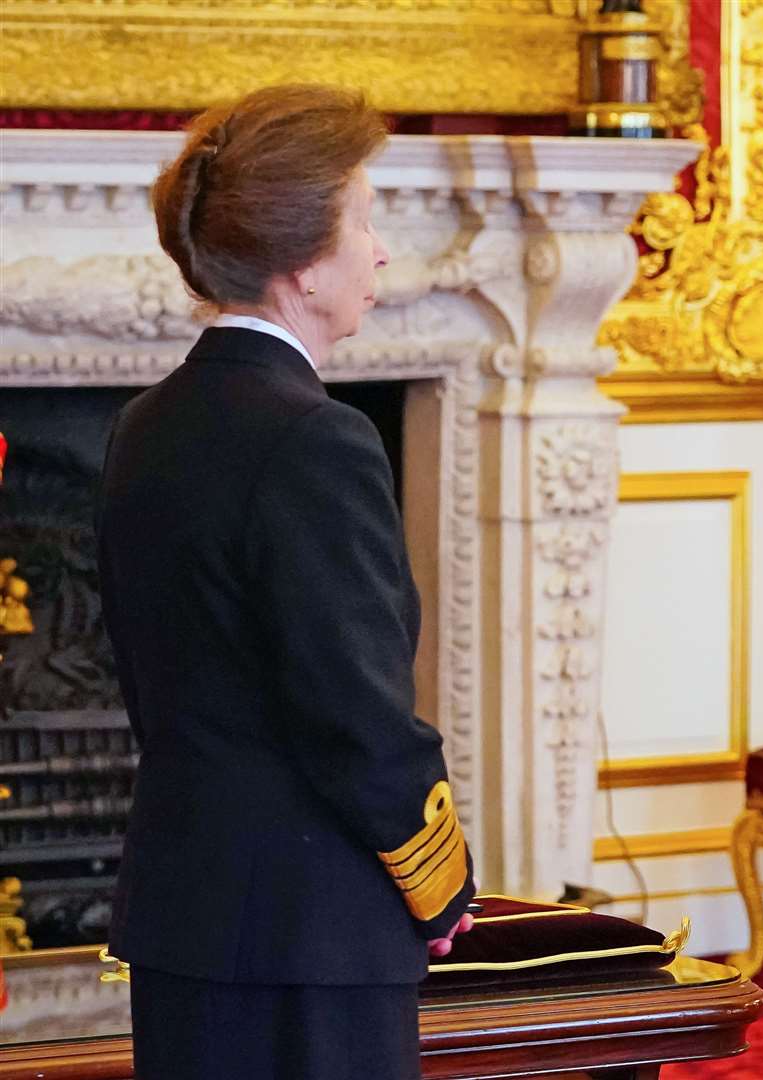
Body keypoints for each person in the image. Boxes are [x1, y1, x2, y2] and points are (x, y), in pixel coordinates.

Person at [96, 84, 476, 1080]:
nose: (382, 247)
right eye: (363, 217)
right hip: (313, 939)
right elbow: (354, 714)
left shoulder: (146, 424)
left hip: (187, 919)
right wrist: (441, 889)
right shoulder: (317, 440)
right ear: (303, 264)